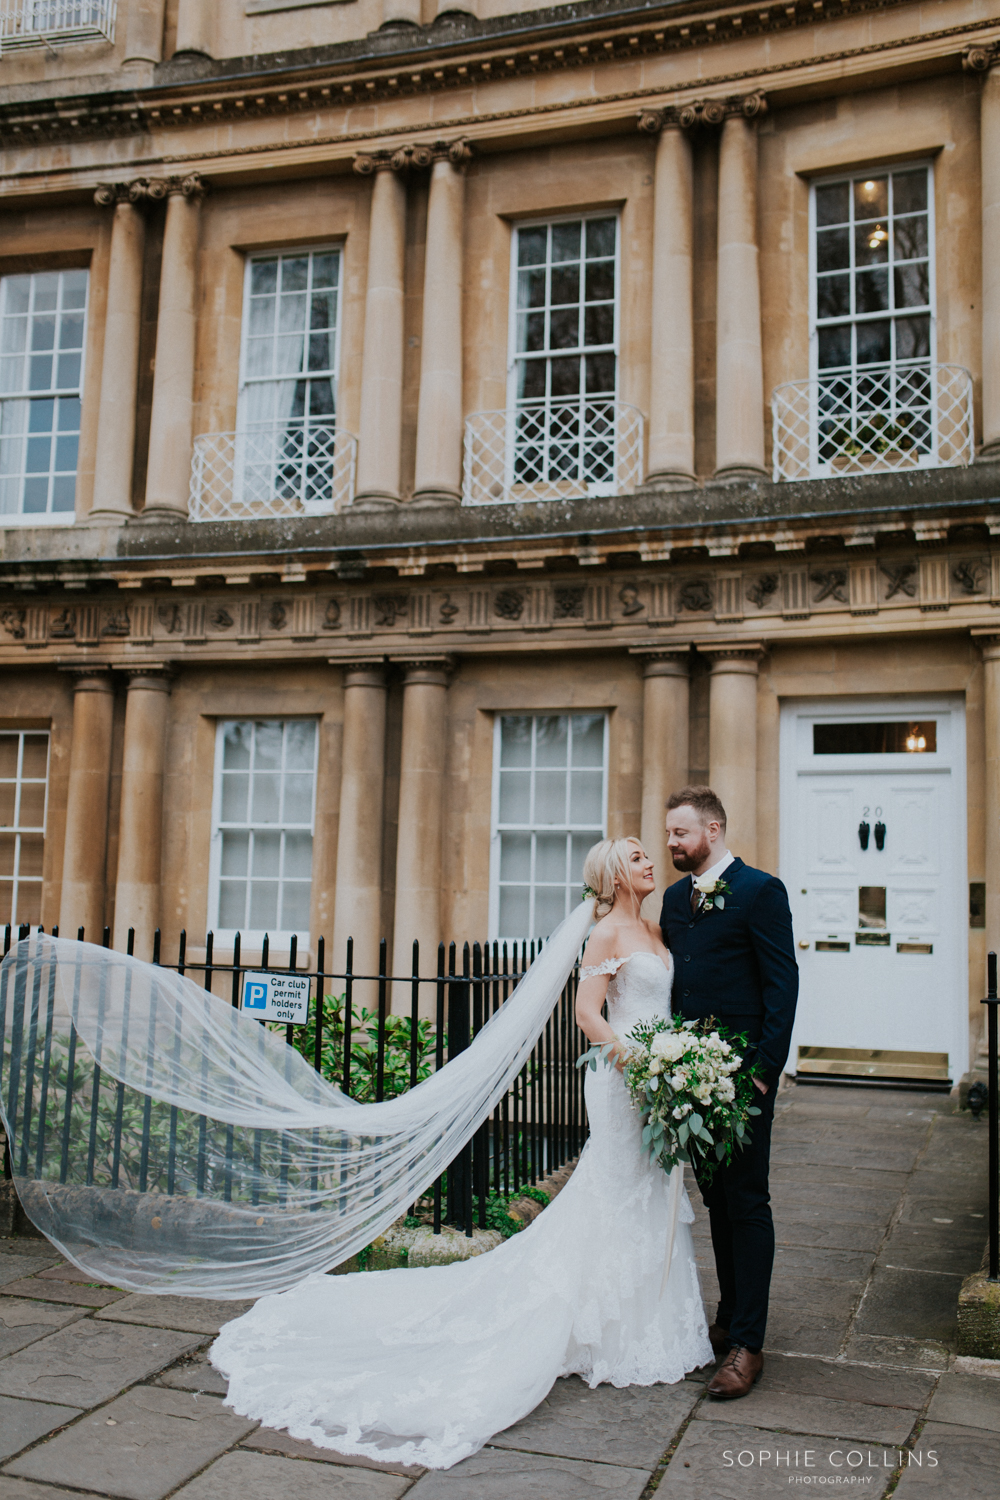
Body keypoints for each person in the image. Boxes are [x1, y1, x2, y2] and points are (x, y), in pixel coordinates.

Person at [210, 836, 713, 1469]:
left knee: (652, 1191)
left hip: (657, 1083)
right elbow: (589, 1013)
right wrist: (638, 1063)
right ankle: (594, 1329)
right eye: (638, 858)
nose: (650, 864)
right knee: (616, 1191)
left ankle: (641, 1327)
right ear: (616, 876)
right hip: (621, 1082)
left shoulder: (659, 929)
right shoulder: (606, 936)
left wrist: (677, 1066)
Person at [659, 786, 798, 1400]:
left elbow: (781, 985)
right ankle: (727, 1318)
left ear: (713, 830)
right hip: (690, 1080)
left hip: (743, 1080)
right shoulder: (670, 899)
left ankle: (750, 1344)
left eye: (680, 833)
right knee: (717, 1200)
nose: (671, 843)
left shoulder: (760, 891)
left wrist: (765, 1070)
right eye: (667, 834)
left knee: (747, 1202)